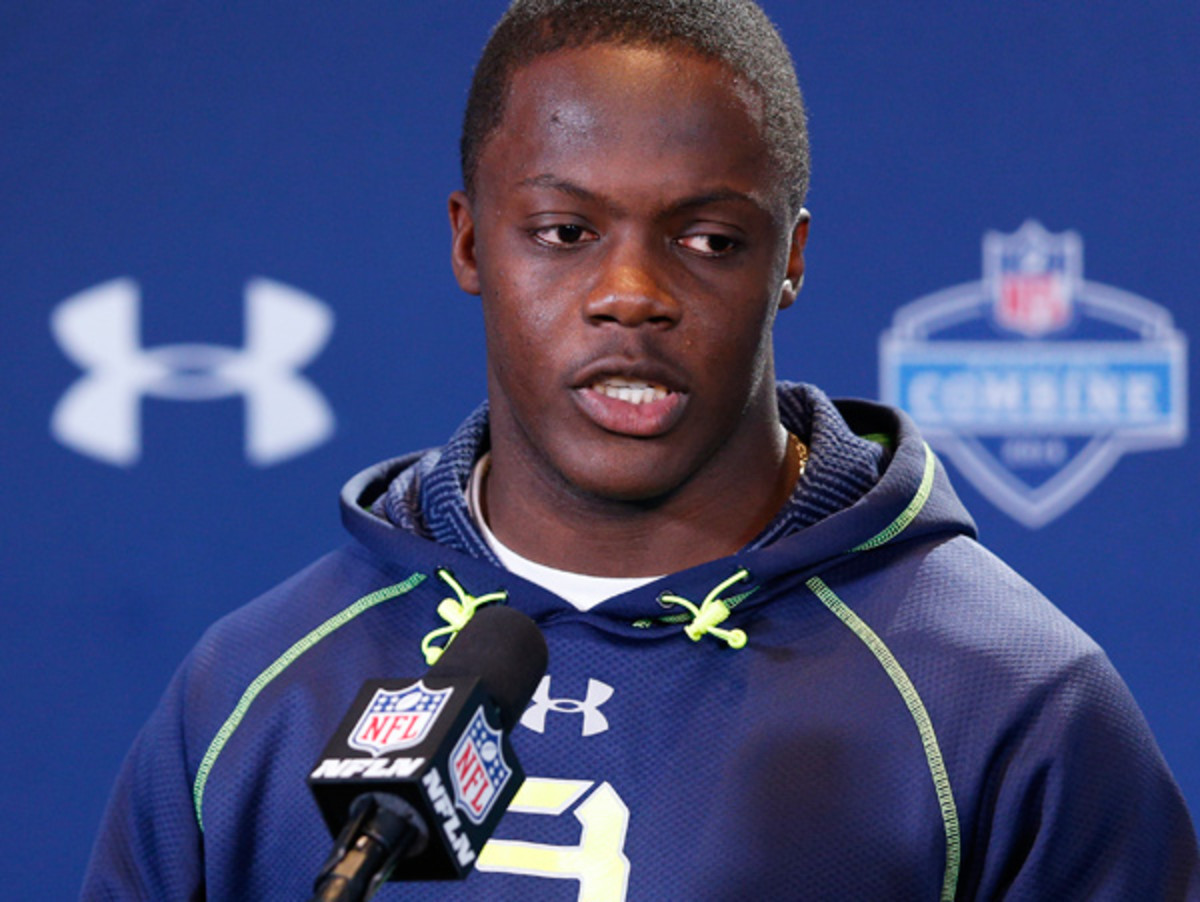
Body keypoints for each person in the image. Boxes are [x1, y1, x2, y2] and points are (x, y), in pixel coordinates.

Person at [83, 1, 1199, 899]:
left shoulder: (1007, 699)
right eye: (565, 232)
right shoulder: (256, 688)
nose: (632, 294)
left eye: (709, 239)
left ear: (790, 260)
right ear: (471, 239)